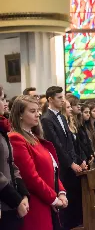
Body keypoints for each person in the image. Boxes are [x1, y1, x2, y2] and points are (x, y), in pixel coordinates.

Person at [9, 96, 68, 230]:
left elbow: (52, 169)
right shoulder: (16, 139)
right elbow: (30, 177)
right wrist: (53, 198)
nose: (38, 114)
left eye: (38, 110)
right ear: (20, 115)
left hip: (47, 201)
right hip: (36, 204)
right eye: (32, 111)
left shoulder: (33, 137)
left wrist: (61, 192)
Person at [40, 86, 83, 229]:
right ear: (50, 99)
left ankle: (74, 224)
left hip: (69, 165)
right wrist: (70, 163)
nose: (62, 101)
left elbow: (69, 142)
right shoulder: (46, 119)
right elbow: (56, 145)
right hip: (60, 165)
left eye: (62, 97)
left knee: (72, 198)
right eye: (59, 98)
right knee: (63, 201)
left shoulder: (62, 117)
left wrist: (77, 161)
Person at [0, 86, 30, 229]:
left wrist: (23, 195)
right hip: (5, 202)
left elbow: (12, 164)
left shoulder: (3, 129)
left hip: (11, 203)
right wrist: (16, 200)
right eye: (1, 99)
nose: (5, 103)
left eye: (5, 98)